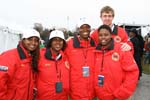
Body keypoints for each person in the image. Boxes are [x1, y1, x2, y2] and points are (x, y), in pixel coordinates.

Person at [94, 25, 139, 100]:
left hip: (118, 96)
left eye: (106, 35)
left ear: (111, 35)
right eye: (100, 35)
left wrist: (122, 93)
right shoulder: (96, 52)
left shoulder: (121, 49)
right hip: (101, 96)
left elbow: (133, 72)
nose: (103, 37)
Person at [0, 29, 40, 100]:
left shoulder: (32, 58)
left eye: (36, 40)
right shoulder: (9, 56)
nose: (33, 43)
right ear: (23, 40)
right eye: (30, 39)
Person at [65, 19, 96, 100]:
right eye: (82, 27)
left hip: (92, 91)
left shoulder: (95, 45)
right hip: (76, 90)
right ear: (78, 30)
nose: (85, 29)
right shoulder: (69, 44)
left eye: (87, 27)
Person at [36, 30, 69, 100]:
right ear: (50, 42)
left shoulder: (65, 57)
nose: (58, 42)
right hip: (45, 97)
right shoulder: (40, 56)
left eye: (60, 40)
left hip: (62, 97)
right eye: (55, 40)